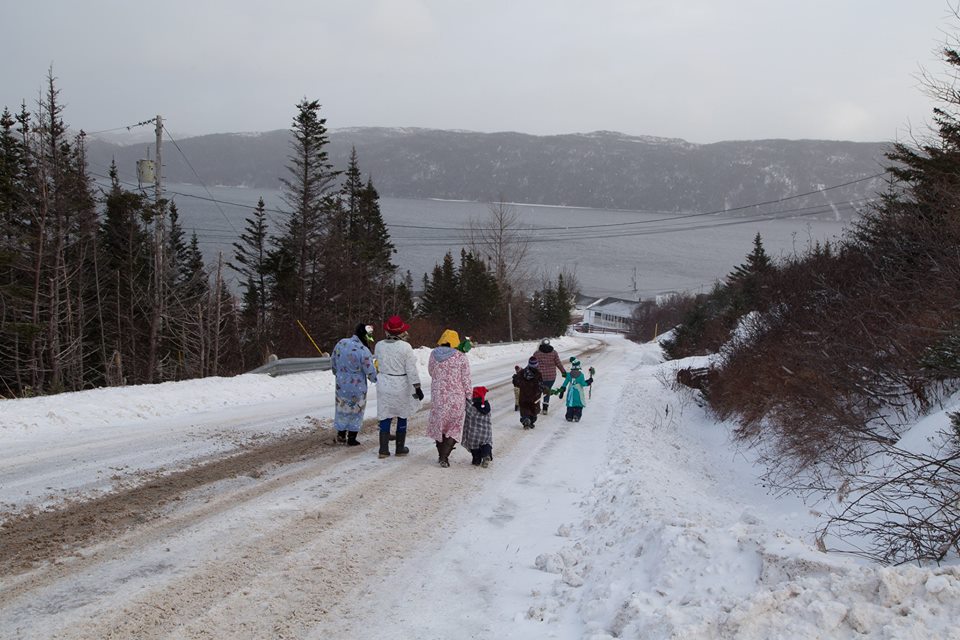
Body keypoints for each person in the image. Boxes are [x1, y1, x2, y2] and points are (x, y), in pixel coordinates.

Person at [373, 315, 423, 459]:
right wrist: (417, 387)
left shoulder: (379, 345)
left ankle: (383, 449)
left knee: (385, 415)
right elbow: (411, 370)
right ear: (402, 332)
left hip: (383, 383)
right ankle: (400, 448)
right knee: (402, 414)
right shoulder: (405, 347)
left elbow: (377, 361)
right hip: (401, 384)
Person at [427, 329, 472, 467]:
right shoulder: (461, 357)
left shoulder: (433, 354)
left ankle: (441, 454)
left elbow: (430, 371)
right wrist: (469, 395)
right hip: (456, 397)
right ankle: (444, 457)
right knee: (454, 426)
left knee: (439, 425)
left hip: (438, 396)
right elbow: (466, 379)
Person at [330, 323, 378, 445]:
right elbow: (369, 370)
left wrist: (336, 372)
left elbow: (333, 360)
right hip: (357, 386)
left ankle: (341, 434)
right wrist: (376, 379)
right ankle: (352, 437)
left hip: (341, 384)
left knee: (342, 407)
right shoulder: (363, 350)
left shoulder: (341, 343)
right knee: (356, 410)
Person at [530, 338, 567, 415]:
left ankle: (537, 408)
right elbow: (558, 363)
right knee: (547, 391)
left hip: (540, 376)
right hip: (551, 377)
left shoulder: (537, 353)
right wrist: (563, 372)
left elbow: (533, 365)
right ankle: (545, 409)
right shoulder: (554, 353)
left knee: (538, 392)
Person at [462, 386, 493, 468]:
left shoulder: (471, 409)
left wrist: (465, 395)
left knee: (474, 447)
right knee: (486, 444)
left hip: (473, 434)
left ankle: (476, 460)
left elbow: (466, 403)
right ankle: (486, 455)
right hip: (485, 433)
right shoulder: (487, 408)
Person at [556, 358, 595, 422]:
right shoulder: (581, 375)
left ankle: (569, 416)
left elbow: (565, 383)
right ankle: (577, 415)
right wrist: (589, 382)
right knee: (578, 404)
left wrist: (562, 390)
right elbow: (583, 384)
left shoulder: (569, 374)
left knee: (570, 403)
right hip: (578, 392)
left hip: (570, 391)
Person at [512, 356, 543, 430]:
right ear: (536, 365)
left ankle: (526, 420)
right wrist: (543, 389)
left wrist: (515, 379)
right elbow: (540, 386)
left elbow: (516, 383)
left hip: (523, 396)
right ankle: (531, 421)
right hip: (534, 397)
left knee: (524, 411)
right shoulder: (538, 374)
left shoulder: (522, 373)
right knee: (533, 412)